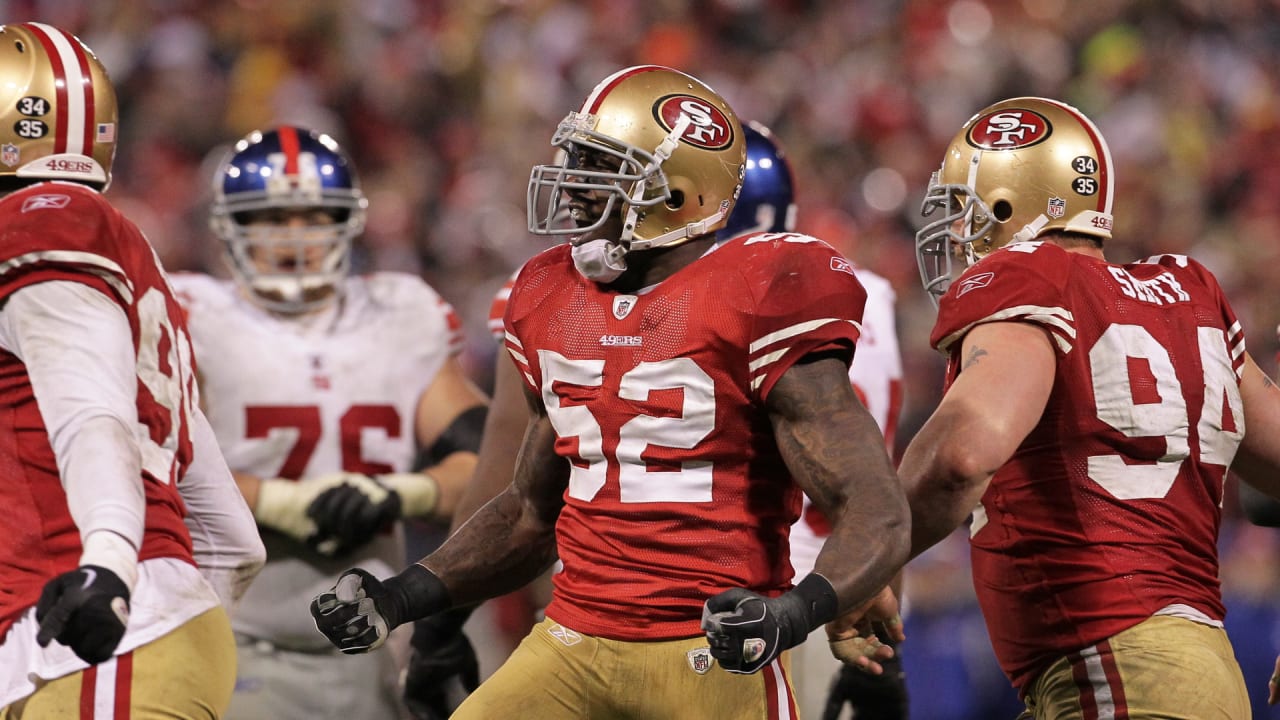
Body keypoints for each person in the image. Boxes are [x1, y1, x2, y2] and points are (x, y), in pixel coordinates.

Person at [311, 64, 910, 719]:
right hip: (571, 642)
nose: (574, 187)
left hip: (706, 649)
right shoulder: (551, 295)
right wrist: (401, 598)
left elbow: (874, 506)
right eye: (577, 164)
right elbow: (528, 514)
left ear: (680, 193)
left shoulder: (760, 294)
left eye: (604, 169)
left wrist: (794, 612)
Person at [879, 95, 1280, 718]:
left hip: (1115, 666)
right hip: (1195, 670)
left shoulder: (1029, 277)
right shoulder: (1190, 291)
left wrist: (857, 563)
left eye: (971, 213)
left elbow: (961, 453)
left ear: (1015, 204)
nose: (958, 236)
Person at [171, 125, 489, 720]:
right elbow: (151, 461)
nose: (295, 238)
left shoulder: (400, 312)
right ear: (229, 226)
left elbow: (486, 469)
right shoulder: (190, 314)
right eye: (272, 218)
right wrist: (278, 501)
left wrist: (396, 493)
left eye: (314, 217)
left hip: (368, 646)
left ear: (347, 221)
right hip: (227, 636)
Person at [0, 21, 265, 719]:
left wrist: (114, 569)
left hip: (93, 631)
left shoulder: (41, 222)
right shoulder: (122, 250)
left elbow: (93, 416)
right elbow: (233, 539)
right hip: (128, 632)